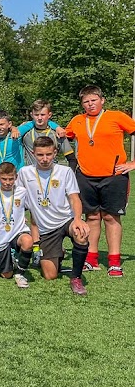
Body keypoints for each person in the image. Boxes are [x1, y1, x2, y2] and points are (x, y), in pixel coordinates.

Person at [64, 85, 135, 275]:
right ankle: (91, 259)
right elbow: (61, 133)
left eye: (93, 100)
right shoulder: (78, 120)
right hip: (86, 176)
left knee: (111, 217)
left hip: (114, 176)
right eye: (86, 102)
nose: (90, 104)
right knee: (92, 217)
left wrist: (133, 163)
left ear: (102, 100)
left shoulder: (117, 117)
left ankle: (114, 262)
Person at [16, 136, 91, 295]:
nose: (44, 159)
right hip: (47, 229)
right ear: (33, 153)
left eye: (48, 154)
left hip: (66, 220)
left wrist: (78, 219)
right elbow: (14, 193)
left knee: (81, 233)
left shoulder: (65, 171)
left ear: (55, 152)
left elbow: (74, 198)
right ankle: (59, 253)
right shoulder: (24, 172)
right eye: (40, 155)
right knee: (50, 275)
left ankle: (76, 278)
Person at [0, 162, 34, 288]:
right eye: (4, 179)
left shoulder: (22, 192)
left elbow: (31, 208)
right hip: (0, 237)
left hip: (18, 231)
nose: (7, 182)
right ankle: (12, 262)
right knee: (7, 274)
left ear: (16, 177)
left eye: (11, 179)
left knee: (28, 241)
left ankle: (20, 274)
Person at [0, 110, 24, 184]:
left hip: (16, 181)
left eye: (2, 124)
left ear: (9, 124)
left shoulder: (17, 134)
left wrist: (14, 129)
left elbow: (33, 123)